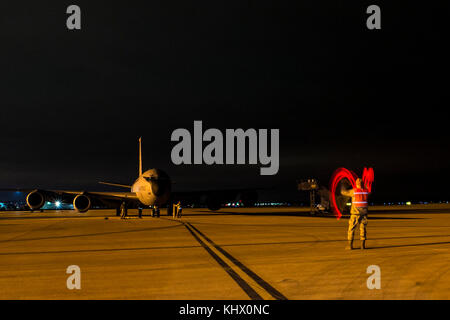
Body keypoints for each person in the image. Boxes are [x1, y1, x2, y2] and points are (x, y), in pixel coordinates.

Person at [341, 178, 370, 250]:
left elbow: (343, 192)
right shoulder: (366, 191)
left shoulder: (354, 191)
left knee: (351, 229)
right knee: (363, 228)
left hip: (355, 213)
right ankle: (362, 245)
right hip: (364, 213)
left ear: (356, 184)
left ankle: (350, 245)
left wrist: (343, 184)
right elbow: (368, 190)